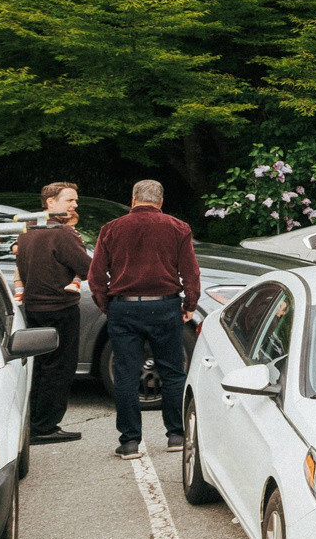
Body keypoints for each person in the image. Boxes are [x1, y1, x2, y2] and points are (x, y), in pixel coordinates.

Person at [87, 178, 201, 459]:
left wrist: (106, 304)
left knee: (126, 373)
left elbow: (96, 275)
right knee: (173, 371)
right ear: (161, 201)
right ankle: (176, 434)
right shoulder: (178, 228)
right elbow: (190, 272)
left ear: (133, 199)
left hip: (124, 308)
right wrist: (190, 303)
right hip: (165, 306)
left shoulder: (111, 229)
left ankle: (130, 442)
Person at [14, 180, 92, 444]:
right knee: (59, 369)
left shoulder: (27, 230)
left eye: (75, 200)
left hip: (33, 308)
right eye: (70, 200)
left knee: (39, 369)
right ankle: (46, 426)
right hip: (60, 308)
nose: (75, 205)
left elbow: (22, 268)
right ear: (51, 202)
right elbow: (87, 268)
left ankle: (33, 422)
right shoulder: (62, 233)